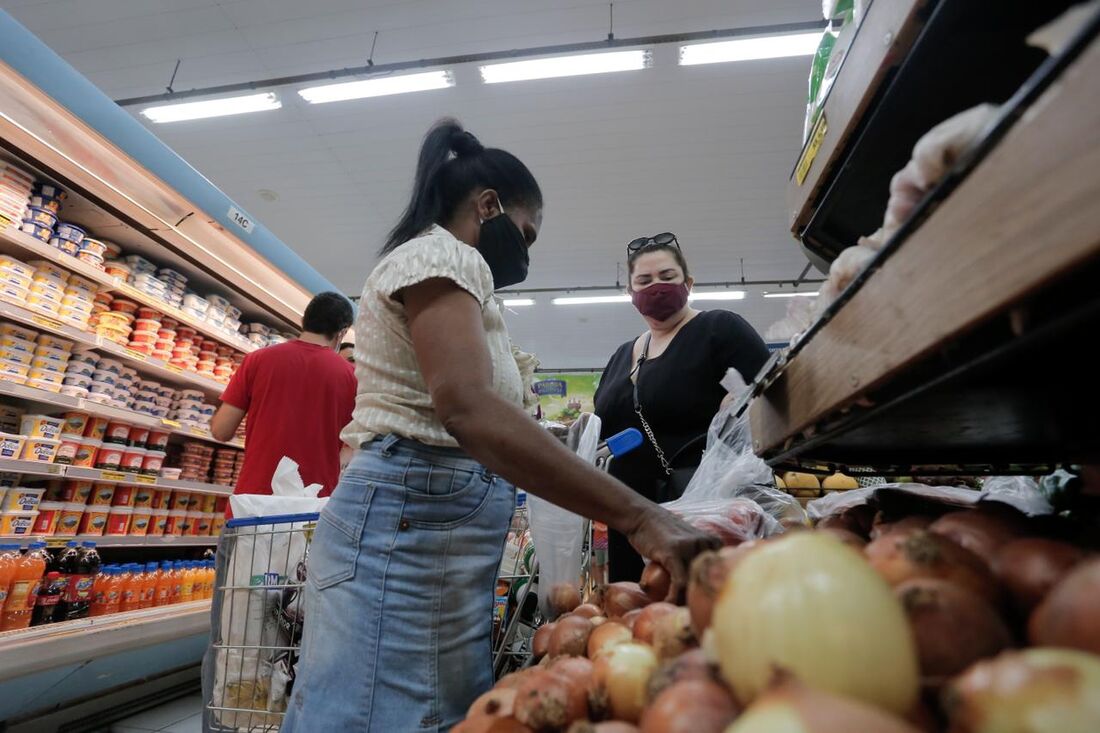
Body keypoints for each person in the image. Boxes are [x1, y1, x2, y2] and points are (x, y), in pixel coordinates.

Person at [281, 120, 717, 732]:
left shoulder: (457, 272)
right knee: (389, 713)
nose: (527, 254)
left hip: (423, 521)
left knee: (408, 708)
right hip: (408, 519)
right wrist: (639, 515)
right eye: (526, 233)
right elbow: (467, 409)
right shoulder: (442, 255)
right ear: (487, 206)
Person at [594, 233, 770, 582]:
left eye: (667, 277)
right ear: (630, 294)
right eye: (644, 281)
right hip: (629, 519)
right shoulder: (621, 355)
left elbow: (771, 396)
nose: (656, 287)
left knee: (695, 606)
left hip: (701, 512)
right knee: (636, 608)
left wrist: (740, 408)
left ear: (688, 283)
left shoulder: (719, 329)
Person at [209, 291, 356, 503]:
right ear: (341, 333)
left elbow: (221, 431)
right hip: (313, 504)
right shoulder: (351, 377)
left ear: (303, 320)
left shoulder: (257, 360)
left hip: (253, 502)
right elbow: (354, 445)